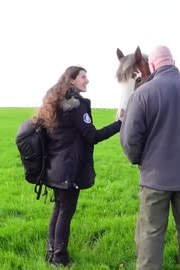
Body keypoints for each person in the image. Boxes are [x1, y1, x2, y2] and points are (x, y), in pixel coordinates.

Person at [120, 45, 180, 270]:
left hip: (154, 180)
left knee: (150, 232)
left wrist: (140, 161)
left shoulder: (141, 95)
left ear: (152, 65)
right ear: (173, 62)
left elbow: (129, 139)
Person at [35, 66, 122, 267]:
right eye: (83, 77)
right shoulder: (76, 105)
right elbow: (92, 136)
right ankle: (59, 258)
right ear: (72, 80)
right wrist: (119, 124)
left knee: (59, 209)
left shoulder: (55, 103)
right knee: (65, 211)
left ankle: (51, 252)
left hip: (54, 168)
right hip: (69, 169)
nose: (87, 80)